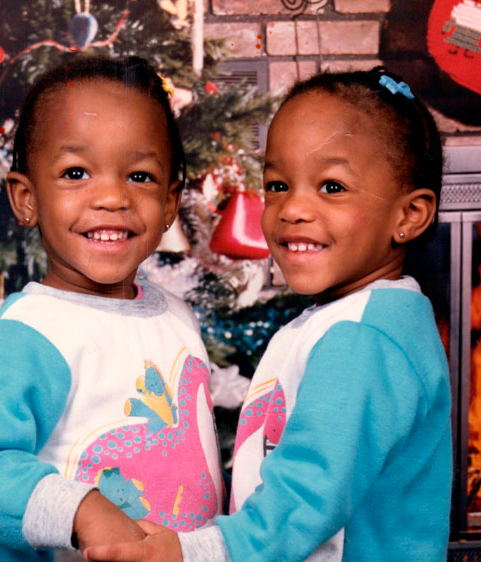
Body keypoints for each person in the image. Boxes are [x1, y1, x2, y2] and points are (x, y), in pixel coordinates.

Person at [84, 67, 452, 562]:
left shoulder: (365, 338)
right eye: (278, 185)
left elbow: (306, 496)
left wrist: (192, 551)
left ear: (409, 216)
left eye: (332, 187)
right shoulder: (354, 318)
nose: (292, 208)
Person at [0, 55, 225, 562]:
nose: (111, 196)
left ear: (171, 202)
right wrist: (80, 509)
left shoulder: (177, 315)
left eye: (140, 175)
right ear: (26, 199)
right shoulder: (27, 333)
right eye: (75, 172)